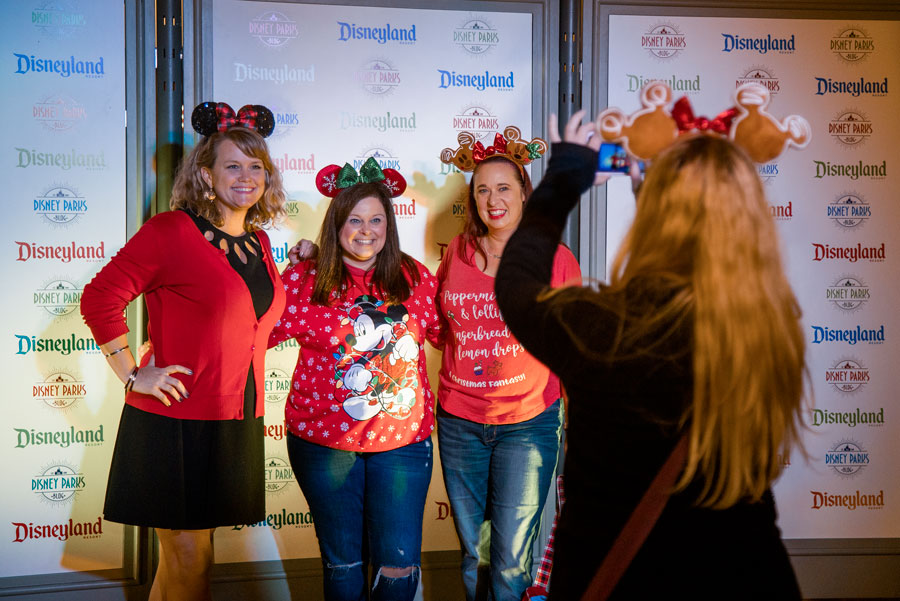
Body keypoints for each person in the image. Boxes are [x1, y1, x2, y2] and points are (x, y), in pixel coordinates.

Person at [495, 112, 804, 600]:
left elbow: (516, 283)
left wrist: (563, 181)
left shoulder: (605, 329)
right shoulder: (771, 330)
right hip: (746, 575)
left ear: (654, 219)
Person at [80, 102, 287, 601]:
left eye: (256, 166)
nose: (246, 176)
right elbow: (99, 297)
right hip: (175, 420)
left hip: (236, 419)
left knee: (184, 564)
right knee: (192, 560)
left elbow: (253, 327)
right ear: (205, 174)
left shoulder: (258, 245)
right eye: (232, 165)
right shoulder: (171, 231)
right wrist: (133, 374)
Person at [269, 160, 441, 601]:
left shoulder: (415, 277)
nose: (366, 230)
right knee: (343, 567)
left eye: (376, 219)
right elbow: (251, 333)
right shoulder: (305, 279)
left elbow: (451, 333)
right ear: (336, 225)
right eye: (354, 220)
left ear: (390, 225)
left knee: (399, 568)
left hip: (401, 445)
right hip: (324, 445)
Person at [435, 129, 581, 601]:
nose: (492, 199)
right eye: (482, 189)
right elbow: (432, 323)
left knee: (511, 559)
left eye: (503, 187)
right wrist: (314, 259)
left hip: (529, 423)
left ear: (523, 193)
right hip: (459, 421)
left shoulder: (556, 260)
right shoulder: (454, 255)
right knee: (473, 553)